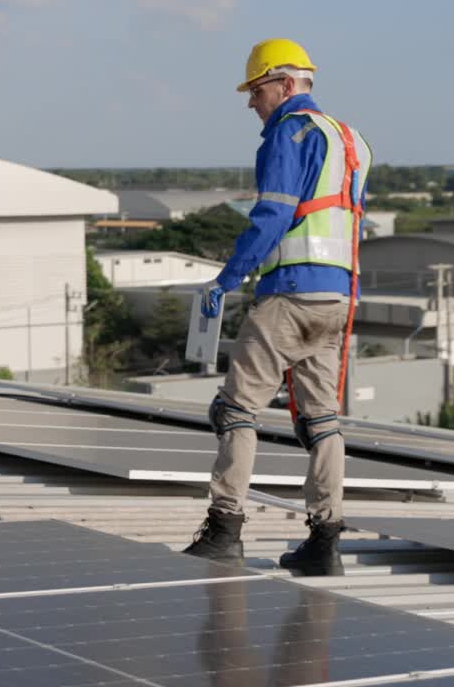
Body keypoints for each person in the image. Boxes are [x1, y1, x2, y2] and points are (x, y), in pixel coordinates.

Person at [182, 38, 372, 576]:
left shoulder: (290, 133)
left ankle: (224, 529)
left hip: (288, 295)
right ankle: (325, 541)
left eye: (257, 89)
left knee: (235, 410)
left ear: (286, 85)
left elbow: (272, 216)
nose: (251, 103)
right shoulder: (350, 139)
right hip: (337, 299)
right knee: (322, 421)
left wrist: (229, 276)